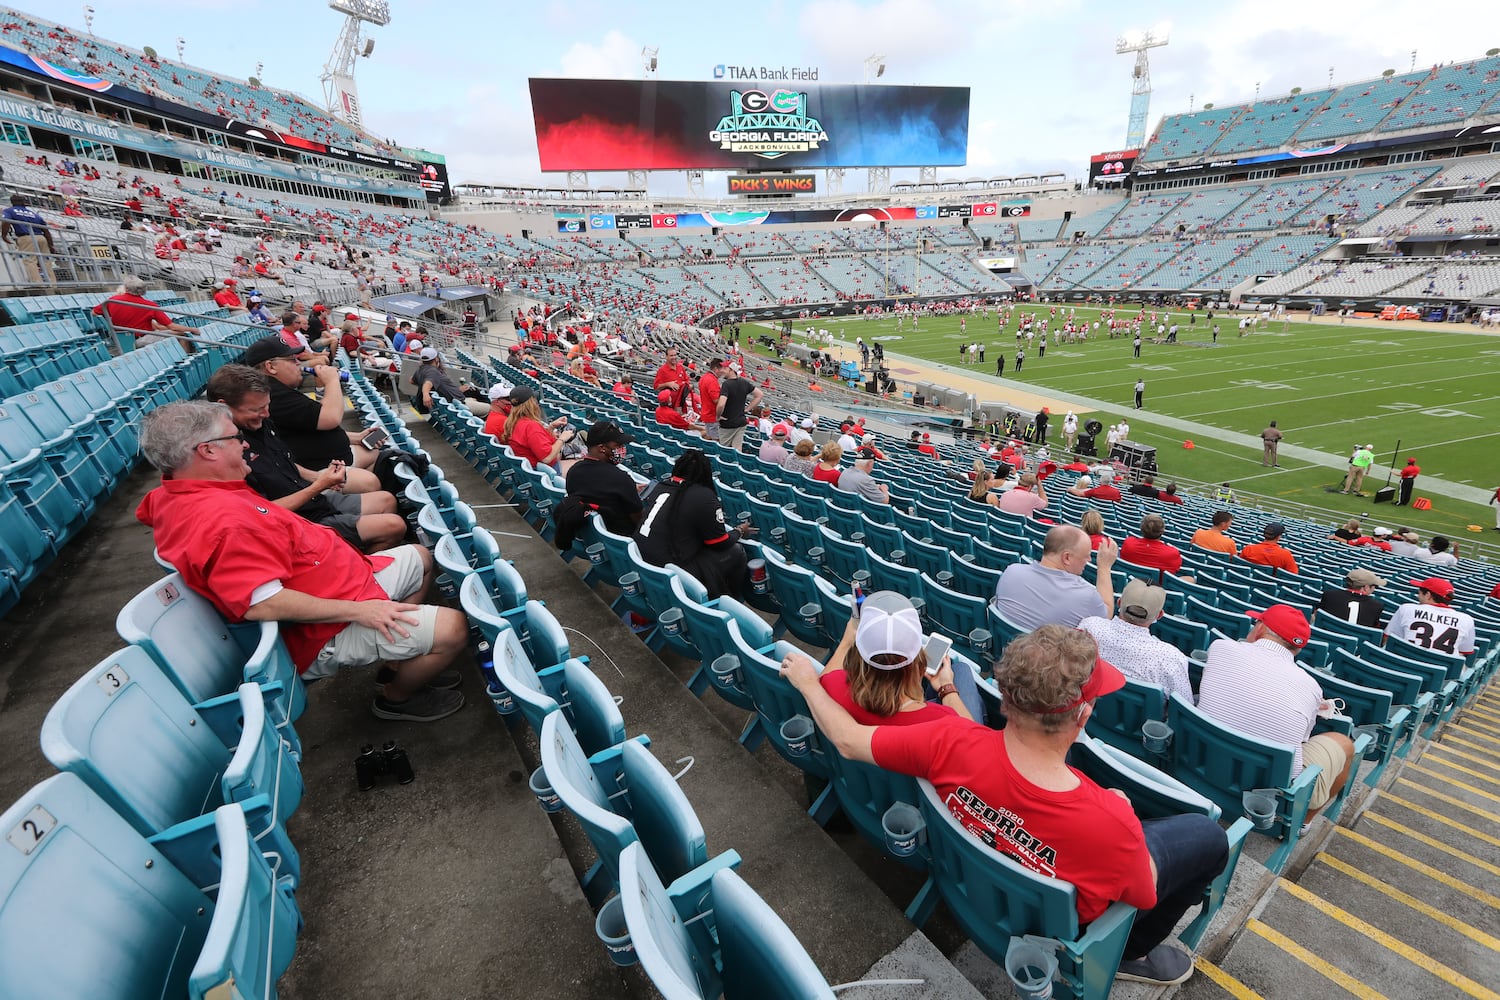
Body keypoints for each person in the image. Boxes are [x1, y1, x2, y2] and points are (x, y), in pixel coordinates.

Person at [780, 625, 1228, 988]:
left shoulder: (947, 738)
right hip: (1058, 924)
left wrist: (808, 682)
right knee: (1210, 837)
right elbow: (1144, 893)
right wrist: (1123, 810)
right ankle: (1133, 955)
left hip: (972, 893)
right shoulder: (1110, 822)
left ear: (1005, 696)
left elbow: (847, 739)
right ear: (1082, 715)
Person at [136, 400, 467, 722]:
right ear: (208, 450)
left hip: (349, 582)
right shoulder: (220, 521)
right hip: (326, 626)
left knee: (421, 557)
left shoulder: (196, 491)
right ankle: (396, 699)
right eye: (235, 438)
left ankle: (399, 663)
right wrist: (363, 610)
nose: (245, 446)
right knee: (453, 628)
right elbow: (262, 603)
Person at [206, 364, 405, 553]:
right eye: (256, 409)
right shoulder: (226, 455)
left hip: (311, 500)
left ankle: (355, 562)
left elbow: (286, 463)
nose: (266, 414)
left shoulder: (261, 425)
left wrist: (321, 479)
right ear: (223, 407)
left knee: (386, 500)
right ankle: (356, 573)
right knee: (393, 526)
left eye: (267, 406)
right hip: (298, 523)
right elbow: (262, 513)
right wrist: (318, 486)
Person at [1197, 606, 1355, 824]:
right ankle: (1302, 824)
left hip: (1200, 762)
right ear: (1297, 649)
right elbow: (1301, 741)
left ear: (1260, 629)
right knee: (1343, 744)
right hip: (1263, 792)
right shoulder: (1311, 687)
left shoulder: (1220, 648)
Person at [782, 590, 977, 726]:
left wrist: (848, 638)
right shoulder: (939, 719)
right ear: (917, 662)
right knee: (961, 670)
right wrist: (946, 688)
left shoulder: (830, 686)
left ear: (858, 655)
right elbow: (973, 736)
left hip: (864, 780)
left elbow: (830, 673)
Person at [239, 336, 378, 471]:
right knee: (377, 461)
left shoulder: (277, 389)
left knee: (374, 454)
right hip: (324, 468)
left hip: (330, 460)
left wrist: (357, 438)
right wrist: (332, 381)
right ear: (271, 367)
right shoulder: (272, 394)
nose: (298, 363)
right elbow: (331, 418)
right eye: (292, 360)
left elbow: (310, 423)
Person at [635, 449, 754, 599]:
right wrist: (739, 531)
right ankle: (733, 600)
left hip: (642, 558)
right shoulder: (704, 496)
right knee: (737, 550)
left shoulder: (660, 486)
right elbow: (719, 543)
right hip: (668, 567)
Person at [1080, 580, 1193, 702]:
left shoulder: (1089, 627)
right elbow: (1185, 704)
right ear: (1159, 615)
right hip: (1141, 721)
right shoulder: (1171, 658)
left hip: (1085, 711)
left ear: (1119, 603)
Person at [992, 525, 1117, 630]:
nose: (1089, 560)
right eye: (1086, 556)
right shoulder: (1086, 596)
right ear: (1067, 557)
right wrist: (1104, 567)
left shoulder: (1011, 571)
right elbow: (1106, 616)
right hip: (1046, 658)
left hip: (1005, 652)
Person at [562, 420, 644, 537]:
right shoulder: (621, 478)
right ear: (602, 448)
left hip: (594, 536)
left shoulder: (574, 471)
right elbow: (639, 521)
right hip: (623, 537)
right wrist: (627, 488)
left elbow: (598, 492)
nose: (622, 449)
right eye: (618, 445)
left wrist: (629, 490)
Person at [92, 275, 195, 348]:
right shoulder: (149, 305)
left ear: (126, 288)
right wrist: (191, 329)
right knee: (182, 334)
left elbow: (94, 313)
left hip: (119, 338)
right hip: (140, 339)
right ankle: (186, 360)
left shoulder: (112, 300)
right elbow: (171, 326)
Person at [1385, 578, 1476, 657]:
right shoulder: (1467, 620)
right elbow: (1464, 651)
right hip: (1438, 672)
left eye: (1419, 593)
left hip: (1400, 665)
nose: (1418, 596)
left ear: (1428, 595)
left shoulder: (1407, 608)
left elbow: (1388, 639)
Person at [505, 386, 577, 474]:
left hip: (535, 471)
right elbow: (547, 458)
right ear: (531, 404)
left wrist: (551, 427)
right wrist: (562, 438)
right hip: (548, 473)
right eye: (535, 400)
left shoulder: (514, 422)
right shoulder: (531, 426)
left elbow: (535, 441)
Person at [1, 193, 56, 284]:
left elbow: (6, 221)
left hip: (26, 237)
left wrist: (4, 235)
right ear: (24, 203)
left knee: (30, 261)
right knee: (46, 261)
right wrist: (51, 245)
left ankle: (37, 283)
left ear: (12, 202)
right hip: (41, 237)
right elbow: (45, 229)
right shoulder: (32, 213)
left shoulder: (9, 211)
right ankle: (52, 283)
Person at [415, 347, 487, 416]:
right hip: (459, 403)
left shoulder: (420, 370)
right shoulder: (432, 371)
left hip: (456, 400)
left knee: (474, 393)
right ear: (436, 359)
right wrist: (425, 394)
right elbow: (428, 383)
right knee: (490, 408)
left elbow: (412, 381)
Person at [1316, 569, 1388, 629]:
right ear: (1366, 587)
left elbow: (1315, 616)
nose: (1374, 589)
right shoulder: (1377, 606)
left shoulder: (1329, 595)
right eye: (1375, 586)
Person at [1120, 514, 1183, 579]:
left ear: (1141, 528)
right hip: (1157, 587)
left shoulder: (1129, 543)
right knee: (1190, 578)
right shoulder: (1171, 553)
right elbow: (1175, 570)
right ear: (1162, 531)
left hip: (1130, 583)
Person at [716, 367, 760, 453]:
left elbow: (721, 404)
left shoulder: (726, 384)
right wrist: (747, 409)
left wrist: (717, 416)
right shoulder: (744, 382)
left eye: (725, 369)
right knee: (737, 450)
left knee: (724, 451)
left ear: (732, 370)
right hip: (740, 422)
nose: (721, 371)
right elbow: (759, 395)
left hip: (728, 423)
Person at [696, 358, 724, 442]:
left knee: (710, 438)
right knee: (715, 442)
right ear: (715, 369)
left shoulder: (704, 377)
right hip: (712, 415)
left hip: (707, 413)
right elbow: (716, 400)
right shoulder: (712, 380)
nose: (722, 371)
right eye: (721, 369)